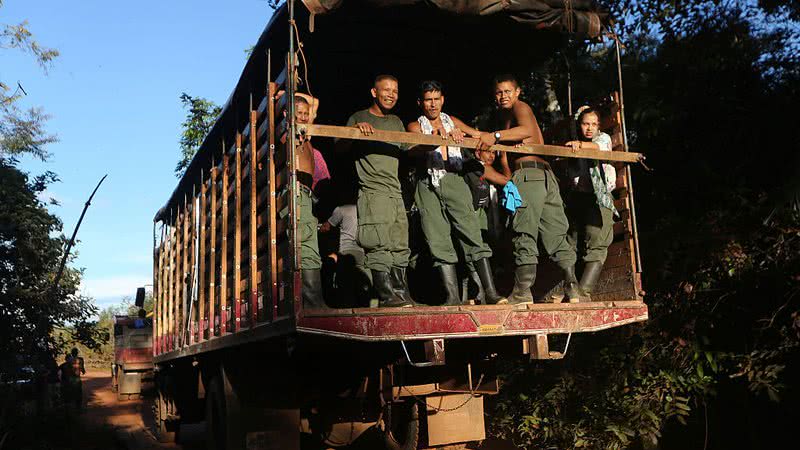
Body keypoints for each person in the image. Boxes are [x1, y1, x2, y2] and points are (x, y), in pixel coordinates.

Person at [477, 74, 584, 304]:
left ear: (517, 92)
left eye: (508, 91)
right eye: (499, 92)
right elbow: (503, 156)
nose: (503, 96)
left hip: (530, 174)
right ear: (494, 97)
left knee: (524, 231)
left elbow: (525, 130)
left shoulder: (520, 107)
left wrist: (493, 135)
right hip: (544, 177)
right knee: (556, 232)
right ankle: (572, 288)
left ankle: (522, 292)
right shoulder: (506, 121)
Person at [407, 80, 506, 305]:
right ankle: (452, 297)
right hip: (427, 181)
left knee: (471, 231)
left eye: (436, 99)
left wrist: (466, 135)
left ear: (442, 100)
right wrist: (436, 136)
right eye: (428, 100)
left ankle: (490, 292)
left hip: (453, 177)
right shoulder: (415, 125)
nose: (432, 104)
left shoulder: (452, 120)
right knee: (436, 236)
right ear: (420, 103)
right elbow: (415, 149)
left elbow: (480, 136)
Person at [339, 75, 413, 307]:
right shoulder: (359, 117)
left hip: (395, 192)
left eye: (395, 91)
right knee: (378, 242)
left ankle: (402, 294)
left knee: (400, 244)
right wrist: (354, 132)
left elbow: (412, 149)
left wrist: (439, 138)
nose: (391, 94)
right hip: (373, 192)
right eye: (386, 90)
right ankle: (385, 295)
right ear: (374, 92)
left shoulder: (397, 122)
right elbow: (340, 147)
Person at [564, 106, 617, 299]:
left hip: (599, 196)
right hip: (578, 196)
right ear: (580, 125)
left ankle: (584, 291)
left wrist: (580, 144)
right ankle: (571, 288)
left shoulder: (602, 138)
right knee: (572, 240)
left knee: (598, 240)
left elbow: (597, 148)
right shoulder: (573, 142)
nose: (590, 128)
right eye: (586, 123)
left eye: (594, 124)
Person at [294, 95, 327, 308]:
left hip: (306, 195)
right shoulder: (288, 134)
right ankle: (312, 302)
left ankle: (313, 302)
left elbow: (314, 101)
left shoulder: (306, 136)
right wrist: (283, 99)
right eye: (300, 114)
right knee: (306, 247)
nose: (305, 118)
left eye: (307, 114)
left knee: (309, 245)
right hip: (296, 193)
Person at [319, 203, 372, 306]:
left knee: (345, 281)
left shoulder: (341, 209)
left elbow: (326, 227)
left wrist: (318, 228)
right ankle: (361, 304)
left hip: (346, 251)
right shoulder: (363, 208)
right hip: (361, 251)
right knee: (360, 278)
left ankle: (347, 304)